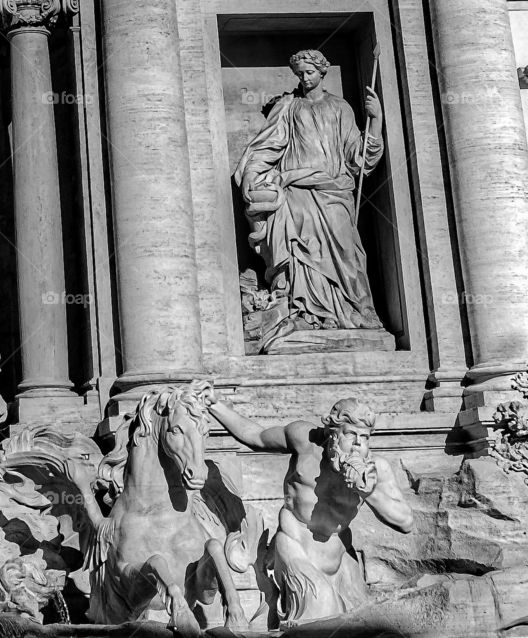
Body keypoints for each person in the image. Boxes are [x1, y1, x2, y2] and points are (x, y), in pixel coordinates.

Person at [207, 396, 413, 624]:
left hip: (339, 552)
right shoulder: (305, 440)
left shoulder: (376, 470)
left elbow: (405, 522)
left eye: (364, 437)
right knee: (322, 606)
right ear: (333, 434)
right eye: (351, 434)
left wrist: (368, 491)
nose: (358, 444)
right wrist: (214, 406)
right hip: (295, 543)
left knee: (359, 623)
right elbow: (257, 437)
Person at [235, 49, 385, 350]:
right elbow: (268, 147)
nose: (304, 78)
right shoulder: (289, 107)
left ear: (322, 72)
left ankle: (353, 309)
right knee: (301, 254)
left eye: (309, 72)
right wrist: (252, 173)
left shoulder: (340, 108)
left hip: (333, 191)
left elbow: (357, 156)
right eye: (300, 74)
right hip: (296, 191)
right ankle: (307, 312)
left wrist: (376, 119)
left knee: (347, 253)